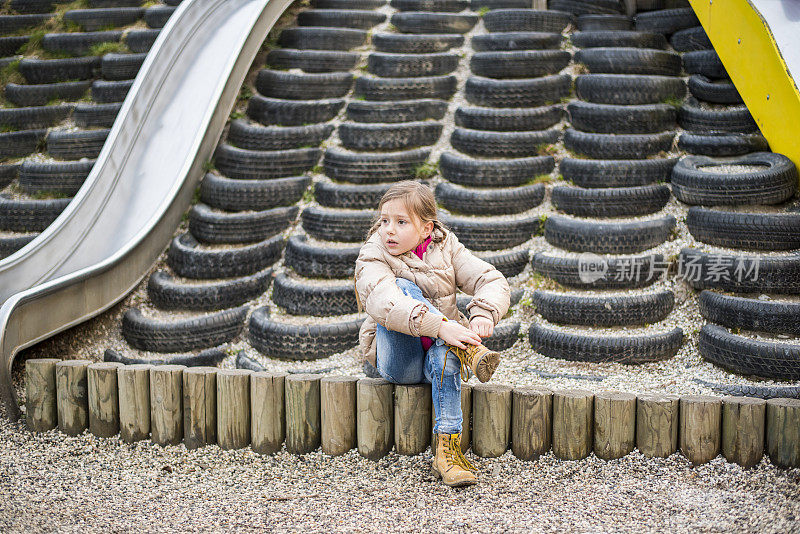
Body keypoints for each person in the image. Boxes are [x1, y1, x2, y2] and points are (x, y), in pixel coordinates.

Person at [354, 181, 510, 487]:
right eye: (384, 221)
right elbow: (385, 301)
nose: (388, 230)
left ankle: (447, 453)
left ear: (427, 229)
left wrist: (481, 313)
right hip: (400, 361)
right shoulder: (373, 254)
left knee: (445, 356)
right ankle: (467, 349)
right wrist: (443, 326)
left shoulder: (444, 245)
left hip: (434, 355)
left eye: (401, 223)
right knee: (403, 288)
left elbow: (489, 278)